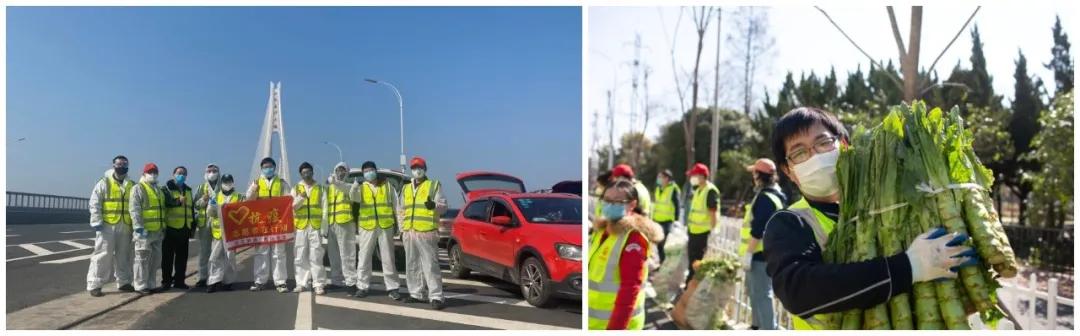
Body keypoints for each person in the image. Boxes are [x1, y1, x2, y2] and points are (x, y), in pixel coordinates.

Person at [763, 107, 977, 329]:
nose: (815, 156)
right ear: (788, 170)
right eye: (799, 153)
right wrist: (908, 267)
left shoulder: (892, 206)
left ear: (844, 145)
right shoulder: (790, 222)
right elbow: (797, 290)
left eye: (823, 143)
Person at [587, 180, 663, 330]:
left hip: (616, 325)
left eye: (617, 202)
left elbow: (630, 289)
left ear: (632, 204)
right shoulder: (601, 231)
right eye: (607, 200)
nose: (610, 205)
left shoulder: (634, 238)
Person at [739, 158, 786, 330]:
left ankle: (767, 329)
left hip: (760, 254)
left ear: (759, 176)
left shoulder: (765, 198)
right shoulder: (775, 195)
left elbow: (758, 229)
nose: (753, 177)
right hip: (766, 252)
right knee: (756, 293)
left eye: (754, 173)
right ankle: (756, 326)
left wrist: (748, 253)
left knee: (762, 295)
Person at [399, 156, 447, 309]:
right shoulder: (406, 188)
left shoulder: (434, 185)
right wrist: (401, 229)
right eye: (414, 168)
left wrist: (434, 205)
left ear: (425, 169)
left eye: (419, 167)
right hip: (409, 231)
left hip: (427, 232)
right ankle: (416, 293)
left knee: (430, 265)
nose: (417, 170)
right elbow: (401, 210)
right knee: (411, 264)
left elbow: (444, 207)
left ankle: (436, 296)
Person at [349, 161, 403, 299]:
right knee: (364, 257)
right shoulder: (361, 187)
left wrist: (401, 226)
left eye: (371, 170)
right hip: (367, 226)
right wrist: (354, 188)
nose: (369, 173)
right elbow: (353, 198)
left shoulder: (388, 186)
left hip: (385, 226)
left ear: (376, 171)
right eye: (366, 171)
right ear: (363, 174)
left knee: (388, 257)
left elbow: (397, 207)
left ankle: (392, 287)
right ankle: (362, 286)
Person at [86, 155, 136, 297]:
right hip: (107, 225)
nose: (121, 167)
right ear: (113, 165)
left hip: (125, 225)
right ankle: (95, 284)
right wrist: (96, 221)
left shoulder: (132, 184)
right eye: (119, 164)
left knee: (124, 256)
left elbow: (136, 205)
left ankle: (124, 282)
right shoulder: (104, 182)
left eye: (124, 164)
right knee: (103, 255)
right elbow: (95, 202)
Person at [246, 157, 292, 293]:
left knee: (279, 253)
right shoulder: (256, 182)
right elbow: (249, 200)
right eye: (265, 167)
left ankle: (281, 282)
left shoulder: (282, 183)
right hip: (262, 223)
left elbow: (289, 200)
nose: (268, 169)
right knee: (261, 252)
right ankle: (260, 281)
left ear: (275, 167)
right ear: (261, 169)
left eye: (270, 166)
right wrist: (254, 190)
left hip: (278, 222)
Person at [130, 163, 167, 295]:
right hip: (144, 232)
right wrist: (138, 227)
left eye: (155, 172)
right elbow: (134, 208)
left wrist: (163, 227)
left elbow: (162, 210)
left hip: (157, 231)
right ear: (144, 174)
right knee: (142, 259)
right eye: (150, 172)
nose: (153, 174)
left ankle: (151, 284)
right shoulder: (138, 188)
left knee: (155, 260)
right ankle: (140, 285)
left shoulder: (159, 190)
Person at [292, 162, 327, 295]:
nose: (306, 175)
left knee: (316, 255)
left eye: (309, 172)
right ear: (300, 174)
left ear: (313, 172)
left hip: (315, 226)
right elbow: (292, 207)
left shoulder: (320, 188)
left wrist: (324, 227)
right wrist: (300, 199)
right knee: (300, 255)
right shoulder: (296, 188)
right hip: (301, 226)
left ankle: (318, 284)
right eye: (304, 173)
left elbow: (325, 209)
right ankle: (301, 283)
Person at [324, 162, 358, 294]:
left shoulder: (351, 185)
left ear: (347, 173)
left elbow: (348, 191)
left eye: (343, 170)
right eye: (338, 170)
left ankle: (351, 283)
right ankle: (336, 281)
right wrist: (324, 226)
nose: (340, 172)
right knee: (333, 256)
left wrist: (335, 182)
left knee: (347, 254)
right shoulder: (330, 187)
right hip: (332, 224)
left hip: (345, 223)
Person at [161, 166, 196, 290]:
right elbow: (166, 203)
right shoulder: (166, 188)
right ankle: (166, 281)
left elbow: (191, 210)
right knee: (167, 257)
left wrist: (192, 227)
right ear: (173, 174)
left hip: (184, 228)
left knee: (182, 257)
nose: (181, 175)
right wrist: (178, 201)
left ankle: (179, 281)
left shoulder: (188, 190)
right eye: (179, 173)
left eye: (184, 173)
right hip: (170, 228)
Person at [206, 174, 242, 293]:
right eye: (225, 182)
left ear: (233, 182)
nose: (227, 184)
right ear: (221, 183)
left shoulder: (239, 197)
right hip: (218, 233)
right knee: (214, 257)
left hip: (232, 233)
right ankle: (213, 281)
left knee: (230, 258)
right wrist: (211, 206)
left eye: (229, 181)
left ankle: (228, 282)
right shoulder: (216, 196)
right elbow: (210, 213)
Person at [684, 162, 718, 282]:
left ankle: (692, 285)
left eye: (694, 175)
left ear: (702, 176)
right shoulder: (698, 190)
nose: (692, 178)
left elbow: (713, 212)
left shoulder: (710, 191)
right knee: (692, 261)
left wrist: (713, 230)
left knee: (697, 263)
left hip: (702, 233)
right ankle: (690, 284)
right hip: (693, 231)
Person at [192, 164, 221, 288]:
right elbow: (195, 205)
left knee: (218, 252)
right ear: (205, 173)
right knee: (204, 251)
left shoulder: (222, 187)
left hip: (218, 223)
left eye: (214, 171)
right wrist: (203, 200)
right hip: (204, 224)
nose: (212, 173)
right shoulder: (201, 187)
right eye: (209, 171)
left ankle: (217, 277)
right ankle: (202, 277)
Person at [651, 169, 680, 263]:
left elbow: (677, 205)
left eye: (661, 177)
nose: (659, 179)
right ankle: (662, 262)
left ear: (667, 178)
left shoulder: (673, 189)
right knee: (658, 243)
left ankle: (664, 262)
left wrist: (676, 220)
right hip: (657, 220)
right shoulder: (658, 188)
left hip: (667, 221)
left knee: (663, 243)